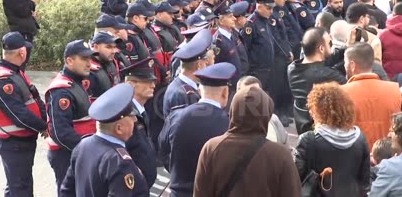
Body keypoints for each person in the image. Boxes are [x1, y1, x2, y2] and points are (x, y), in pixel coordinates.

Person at [194, 85, 302, 197]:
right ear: (267, 115)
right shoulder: (280, 155)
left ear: (233, 111)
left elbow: (200, 193)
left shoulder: (212, 148)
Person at [159, 62, 235, 197]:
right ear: (225, 92)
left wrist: (178, 174)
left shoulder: (176, 116)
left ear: (199, 90)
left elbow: (164, 151)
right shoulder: (229, 125)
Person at [60, 84, 148, 197]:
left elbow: (67, 190)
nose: (135, 120)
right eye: (131, 117)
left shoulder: (83, 145)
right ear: (119, 128)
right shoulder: (119, 161)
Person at [0, 32, 47, 196]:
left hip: (21, 141)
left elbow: (34, 98)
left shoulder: (15, 73)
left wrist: (45, 121)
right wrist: (44, 126)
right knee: (21, 188)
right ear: (22, 53)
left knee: (17, 185)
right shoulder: (3, 80)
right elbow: (19, 115)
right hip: (14, 143)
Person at [294, 83, 370, 196]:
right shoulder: (359, 138)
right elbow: (365, 182)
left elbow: (295, 178)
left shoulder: (308, 140)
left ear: (317, 111)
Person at [45, 40, 98, 194]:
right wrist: (88, 150)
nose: (89, 63)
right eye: (84, 59)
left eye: (90, 58)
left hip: (77, 150)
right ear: (69, 60)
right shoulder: (61, 91)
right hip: (67, 154)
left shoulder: (76, 82)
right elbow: (60, 132)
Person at [342, 42, 402, 149]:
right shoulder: (395, 90)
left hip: (355, 156)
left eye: (345, 63)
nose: (344, 66)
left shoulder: (341, 94)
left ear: (352, 65)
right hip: (389, 154)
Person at [287, 27, 347, 134]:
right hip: (320, 129)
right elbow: (350, 84)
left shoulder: (292, 68)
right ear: (321, 49)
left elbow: (321, 63)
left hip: (302, 124)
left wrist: (346, 48)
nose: (331, 46)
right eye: (330, 43)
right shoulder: (324, 74)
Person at [124, 57, 158, 189]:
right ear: (131, 84)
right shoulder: (126, 115)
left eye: (153, 81)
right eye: (147, 81)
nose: (153, 85)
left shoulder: (141, 109)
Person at [162, 29, 212, 118]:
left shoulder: (185, 87)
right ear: (199, 65)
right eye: (205, 63)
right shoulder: (181, 94)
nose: (206, 66)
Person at [3, 0, 39, 71]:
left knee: (24, 59)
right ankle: (17, 78)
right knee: (20, 60)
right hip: (21, 32)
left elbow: (25, 11)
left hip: (26, 31)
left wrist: (32, 14)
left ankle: (20, 77)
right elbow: (23, 11)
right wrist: (33, 2)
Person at [241, 0, 276, 91]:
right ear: (259, 6)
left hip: (269, 68)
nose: (271, 11)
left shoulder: (265, 20)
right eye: (268, 8)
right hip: (257, 70)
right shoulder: (251, 24)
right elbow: (245, 48)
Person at [87, 32, 121, 101]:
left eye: (114, 47)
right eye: (109, 47)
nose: (113, 51)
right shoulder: (89, 72)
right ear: (96, 47)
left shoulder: (110, 63)